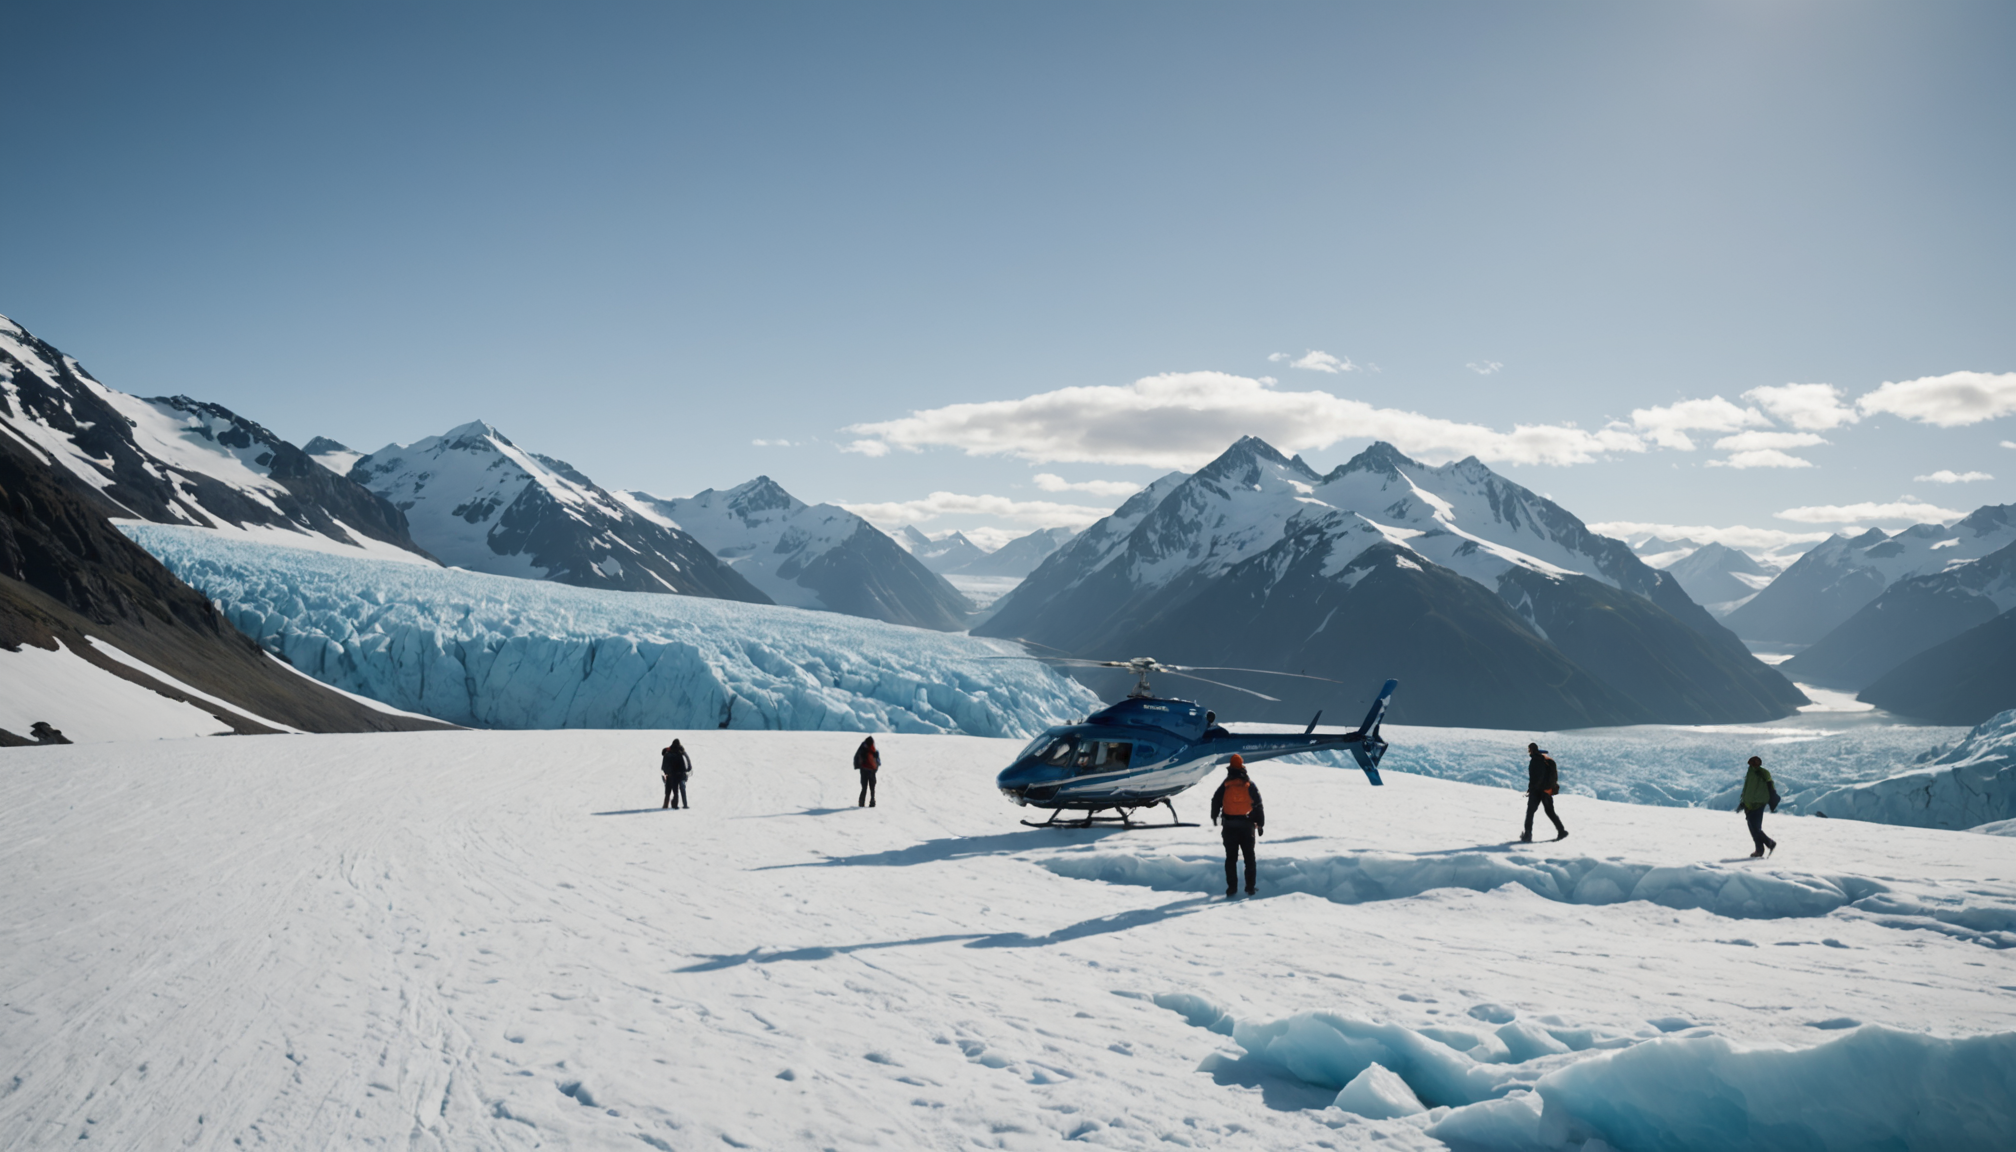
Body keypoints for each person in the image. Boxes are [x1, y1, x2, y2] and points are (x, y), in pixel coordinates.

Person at [1209, 755, 1265, 898]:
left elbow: (1216, 800)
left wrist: (1214, 816)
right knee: (1249, 858)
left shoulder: (1226, 784)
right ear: (1242, 766)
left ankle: (1232, 888)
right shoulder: (1249, 784)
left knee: (1231, 858)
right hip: (1247, 826)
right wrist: (1260, 825)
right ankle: (1250, 888)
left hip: (1229, 826)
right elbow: (1258, 805)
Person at [1521, 742, 1568, 843]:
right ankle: (1561, 831)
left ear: (1531, 750)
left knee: (1530, 812)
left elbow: (1534, 777)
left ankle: (1527, 835)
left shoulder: (1535, 760)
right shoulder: (1546, 760)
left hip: (1537, 791)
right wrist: (1549, 789)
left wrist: (1532, 789)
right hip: (1546, 791)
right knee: (1550, 811)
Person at [1737, 755, 1779, 857]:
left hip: (1759, 803)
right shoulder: (1750, 772)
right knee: (1753, 828)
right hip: (1749, 804)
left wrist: (1772, 799)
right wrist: (1743, 802)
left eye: (1756, 762)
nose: (1755, 764)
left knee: (1756, 828)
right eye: (1753, 762)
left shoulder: (1763, 773)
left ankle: (1770, 843)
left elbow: (1770, 786)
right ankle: (1759, 850)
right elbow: (1748, 788)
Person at [660, 738, 691, 809]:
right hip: (680, 774)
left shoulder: (668, 752)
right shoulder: (681, 752)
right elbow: (687, 763)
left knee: (668, 791)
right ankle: (680, 805)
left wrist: (664, 774)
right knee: (679, 790)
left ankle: (666, 805)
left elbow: (663, 766)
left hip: (670, 775)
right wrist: (686, 771)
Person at [854, 736, 881, 807]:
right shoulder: (874, 749)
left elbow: (857, 758)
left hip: (864, 770)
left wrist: (858, 766)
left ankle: (861, 803)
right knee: (872, 787)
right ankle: (872, 802)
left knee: (864, 787)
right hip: (871, 771)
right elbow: (878, 760)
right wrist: (875, 769)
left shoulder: (862, 748)